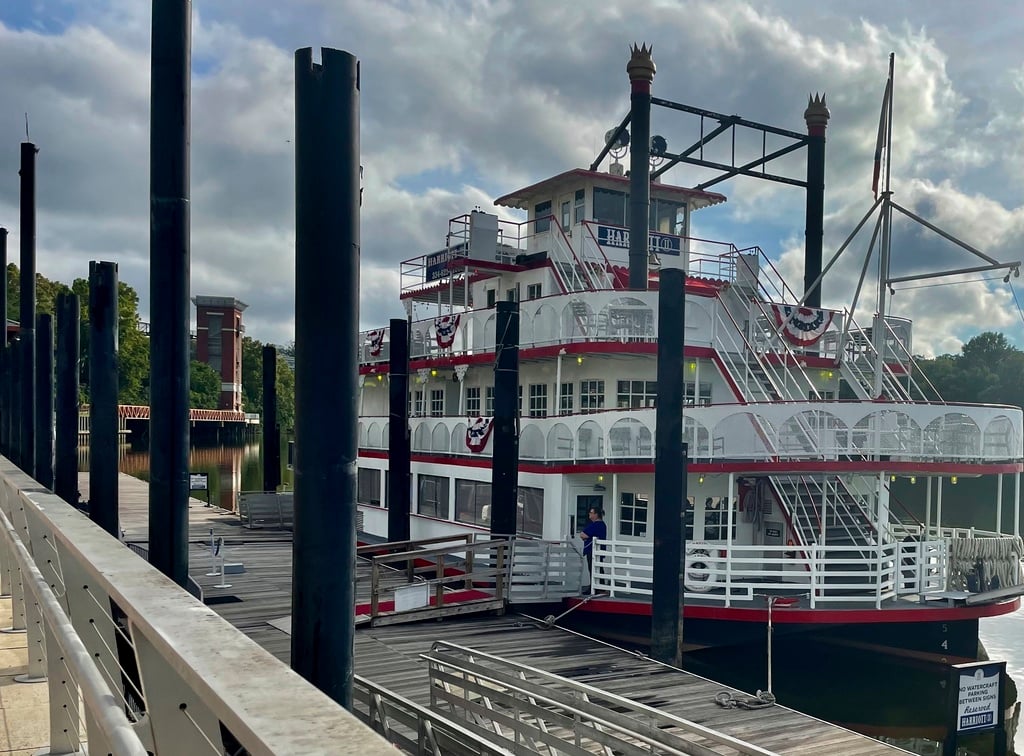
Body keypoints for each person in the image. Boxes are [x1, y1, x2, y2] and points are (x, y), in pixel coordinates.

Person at [579, 507, 606, 589]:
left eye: (591, 512)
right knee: (597, 568)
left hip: (593, 550)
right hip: (596, 550)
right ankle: (598, 586)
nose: (589, 514)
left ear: (596, 514)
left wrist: (586, 537)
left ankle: (595, 587)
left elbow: (583, 534)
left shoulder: (597, 525)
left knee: (594, 568)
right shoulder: (600, 524)